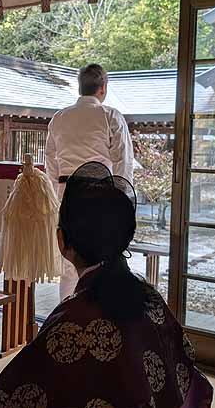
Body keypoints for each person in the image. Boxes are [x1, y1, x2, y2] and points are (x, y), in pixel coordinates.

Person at [0, 162, 213, 408]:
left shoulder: (69, 323)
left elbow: (5, 398)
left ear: (61, 240)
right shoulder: (150, 297)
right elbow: (189, 375)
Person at [45, 63, 135, 300]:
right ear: (103, 88)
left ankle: (68, 313)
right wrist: (122, 202)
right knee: (102, 259)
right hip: (101, 195)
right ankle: (99, 315)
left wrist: (56, 195)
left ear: (80, 88)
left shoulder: (59, 118)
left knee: (70, 261)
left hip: (67, 194)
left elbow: (51, 163)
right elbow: (123, 162)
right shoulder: (110, 116)